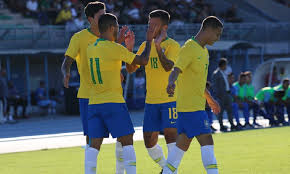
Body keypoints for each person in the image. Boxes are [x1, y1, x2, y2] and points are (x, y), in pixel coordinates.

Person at [86, 13, 156, 174]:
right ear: (111, 28)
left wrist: (119, 43)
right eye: (116, 28)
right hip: (113, 102)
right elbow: (143, 60)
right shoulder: (114, 49)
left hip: (94, 103)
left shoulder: (91, 48)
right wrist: (149, 40)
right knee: (127, 141)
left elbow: (107, 57)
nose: (118, 30)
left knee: (94, 146)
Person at [163, 16, 222, 174]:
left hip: (192, 108)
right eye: (217, 34)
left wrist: (210, 100)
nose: (218, 38)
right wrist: (171, 83)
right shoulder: (189, 48)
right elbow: (176, 69)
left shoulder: (204, 52)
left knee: (181, 147)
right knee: (207, 141)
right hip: (191, 109)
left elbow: (199, 82)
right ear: (208, 30)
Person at [126, 10, 180, 173]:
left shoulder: (173, 45)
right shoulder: (144, 45)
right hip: (151, 102)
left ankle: (171, 171)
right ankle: (167, 168)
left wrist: (158, 46)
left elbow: (168, 67)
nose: (149, 28)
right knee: (149, 142)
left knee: (171, 138)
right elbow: (131, 69)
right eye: (149, 24)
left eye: (154, 25)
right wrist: (129, 49)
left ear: (164, 27)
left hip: (170, 100)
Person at [212, 58, 235, 131]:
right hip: (221, 95)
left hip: (227, 94)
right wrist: (218, 95)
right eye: (226, 64)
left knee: (230, 110)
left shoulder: (225, 73)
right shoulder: (216, 73)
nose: (226, 66)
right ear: (223, 65)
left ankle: (232, 124)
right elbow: (215, 86)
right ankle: (221, 125)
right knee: (220, 112)